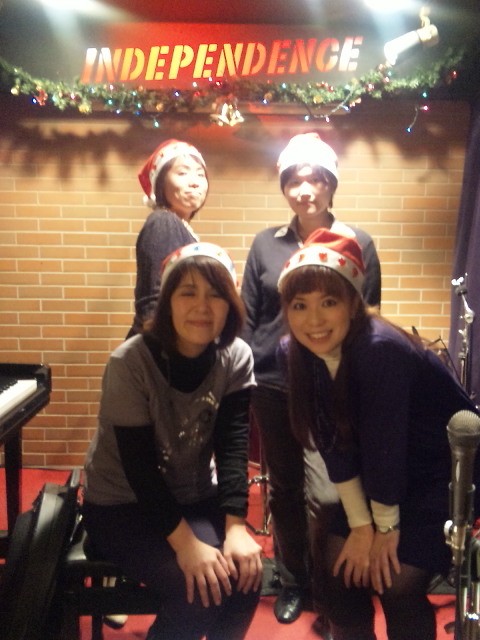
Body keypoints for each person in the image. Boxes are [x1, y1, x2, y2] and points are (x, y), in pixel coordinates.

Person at [277, 228, 480, 640]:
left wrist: (383, 530)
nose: (313, 320)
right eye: (300, 305)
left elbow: (386, 444)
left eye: (329, 302)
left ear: (353, 303)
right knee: (338, 573)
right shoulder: (293, 352)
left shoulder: (380, 348)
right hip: (378, 470)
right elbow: (333, 444)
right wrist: (360, 525)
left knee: (395, 583)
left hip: (438, 474)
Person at [83, 242, 263, 640]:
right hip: (121, 503)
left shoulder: (236, 356)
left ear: (230, 304)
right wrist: (186, 546)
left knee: (246, 577)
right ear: (167, 302)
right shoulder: (130, 362)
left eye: (216, 294)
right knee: (198, 591)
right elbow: (140, 470)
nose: (202, 306)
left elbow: (233, 445)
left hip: (192, 494)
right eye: (188, 292)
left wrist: (236, 527)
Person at [241, 132, 381, 630]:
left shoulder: (358, 241)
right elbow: (249, 317)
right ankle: (294, 580)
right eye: (294, 180)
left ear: (331, 184)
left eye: (315, 179)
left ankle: (329, 585)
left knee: (328, 492)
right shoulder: (265, 243)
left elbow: (368, 315)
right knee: (283, 488)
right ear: (284, 187)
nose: (305, 190)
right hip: (273, 384)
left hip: (330, 385)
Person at [127, 138, 209, 338]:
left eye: (200, 174)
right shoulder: (163, 222)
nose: (194, 181)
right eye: (182, 173)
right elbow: (152, 303)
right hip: (162, 347)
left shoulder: (179, 226)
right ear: (160, 183)